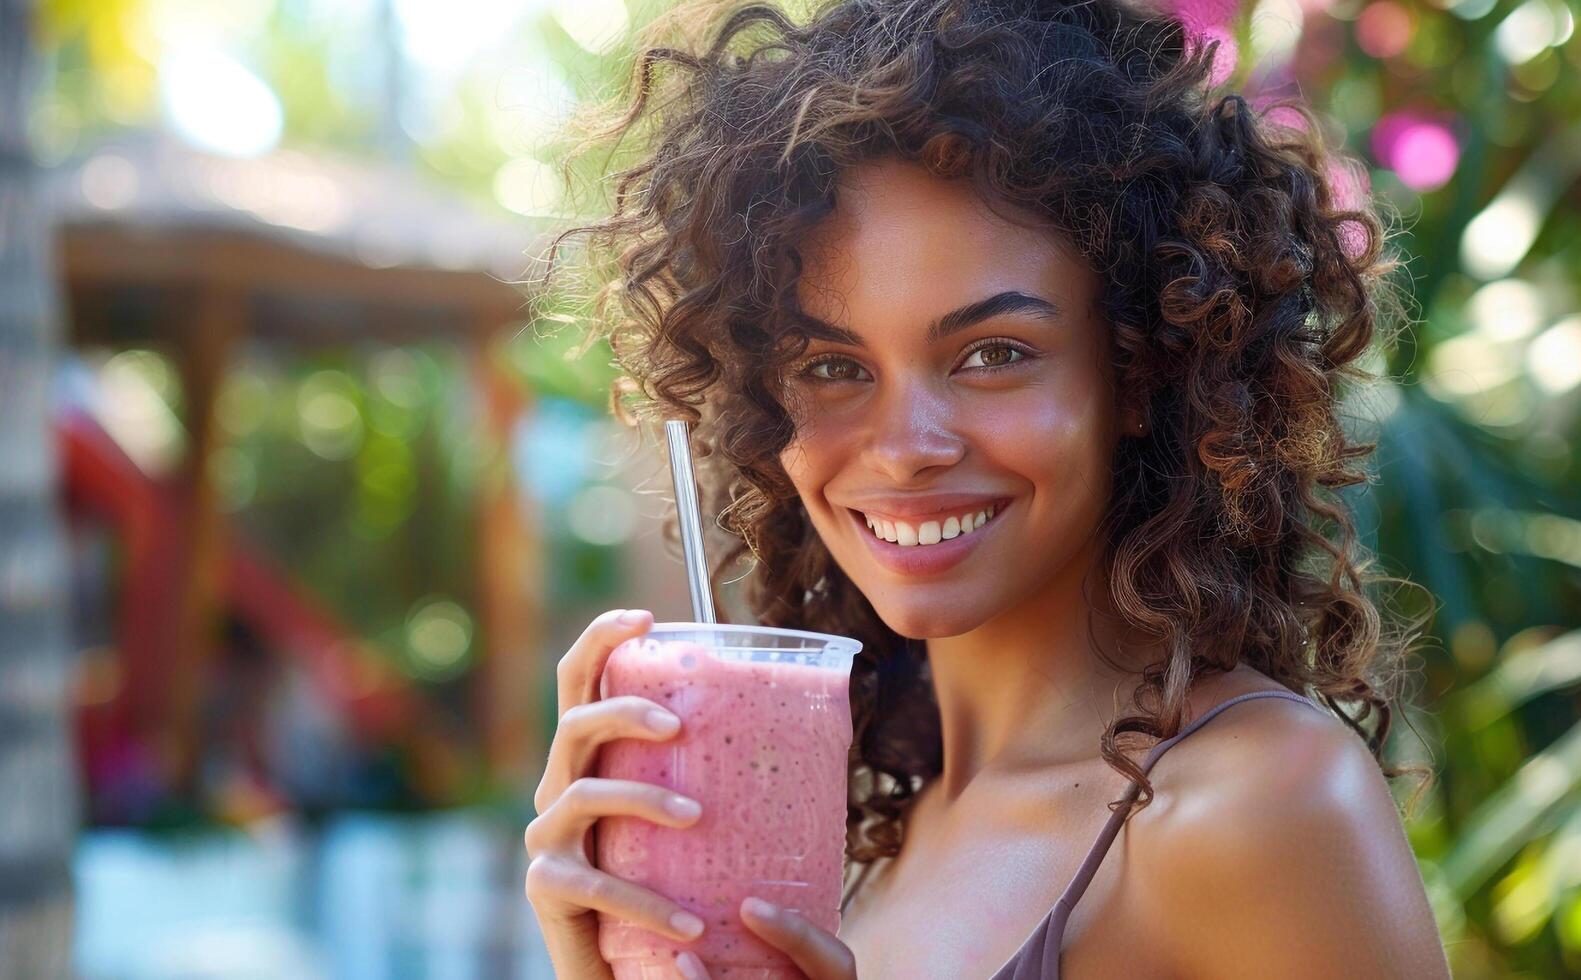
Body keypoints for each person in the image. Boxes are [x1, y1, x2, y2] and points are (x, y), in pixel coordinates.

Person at [523, 0, 1452, 976]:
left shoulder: (1259, 804)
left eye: (992, 353)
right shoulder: (859, 836)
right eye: (834, 367)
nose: (904, 447)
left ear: (1139, 369)